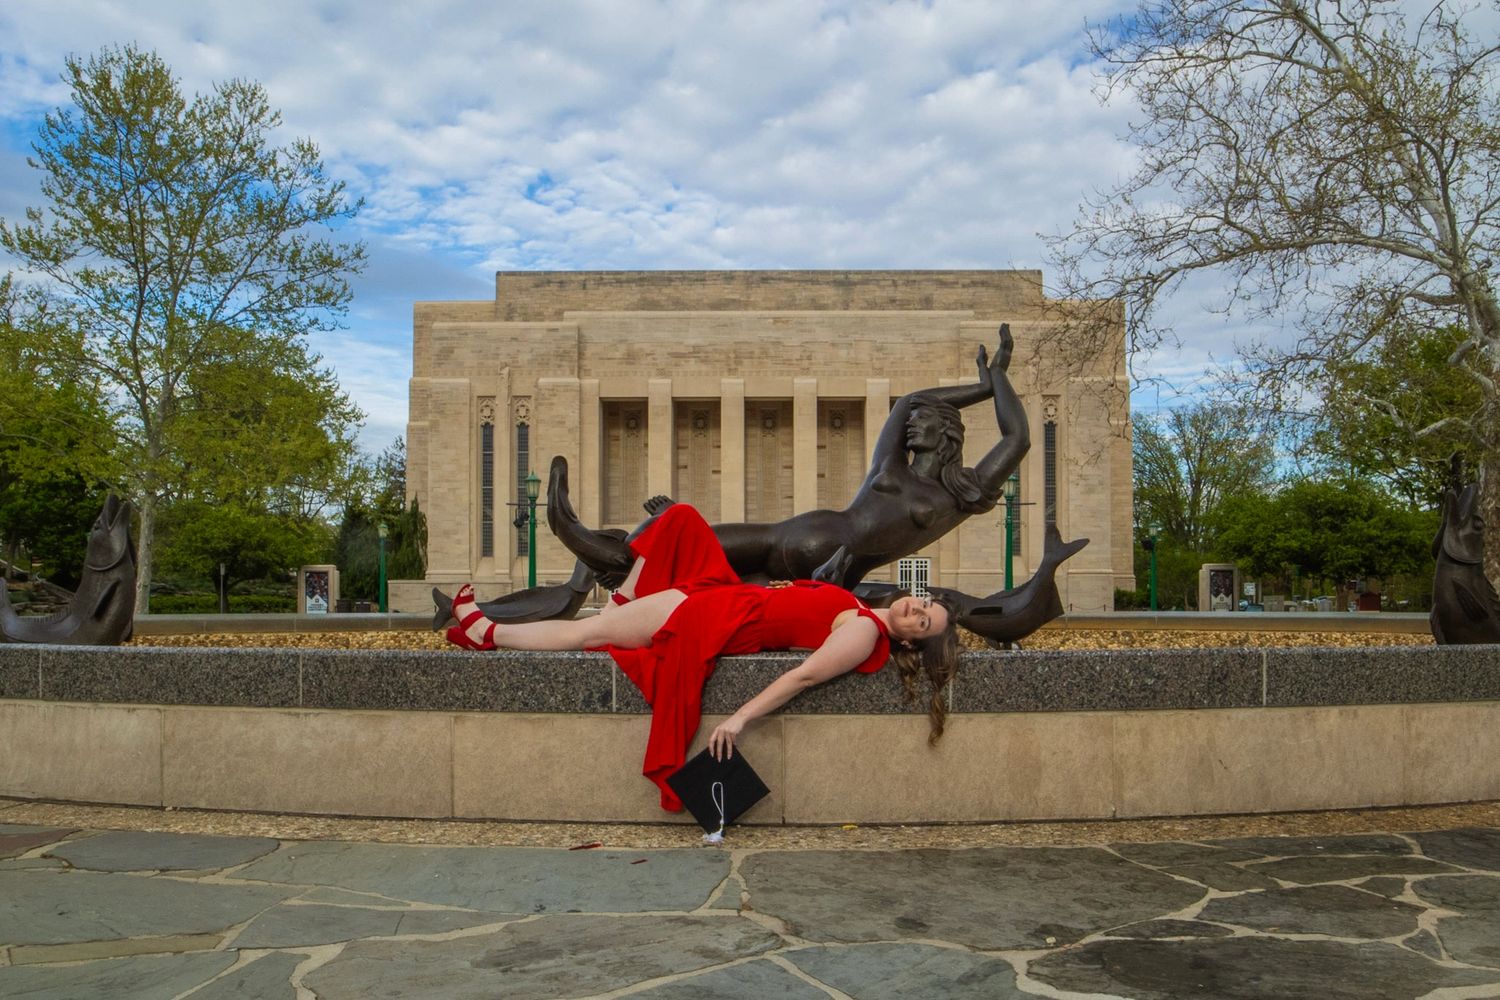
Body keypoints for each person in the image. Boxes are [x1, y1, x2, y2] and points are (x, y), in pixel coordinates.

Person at [446, 503, 959, 812]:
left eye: (922, 622)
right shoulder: (862, 607)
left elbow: (803, 676)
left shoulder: (864, 634)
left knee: (591, 631)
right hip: (727, 598)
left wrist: (737, 721)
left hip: (716, 619)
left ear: (910, 642)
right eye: (925, 604)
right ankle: (619, 604)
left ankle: (490, 631)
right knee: (683, 520)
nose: (917, 608)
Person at [548, 325, 1027, 589]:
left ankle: (607, 551)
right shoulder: (893, 465)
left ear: (946, 432)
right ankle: (609, 553)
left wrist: (999, 380)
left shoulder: (960, 491)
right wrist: (981, 388)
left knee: (693, 542)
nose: (911, 423)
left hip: (830, 555)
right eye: (914, 420)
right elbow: (906, 401)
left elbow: (1017, 437)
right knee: (695, 549)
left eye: (924, 421)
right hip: (793, 537)